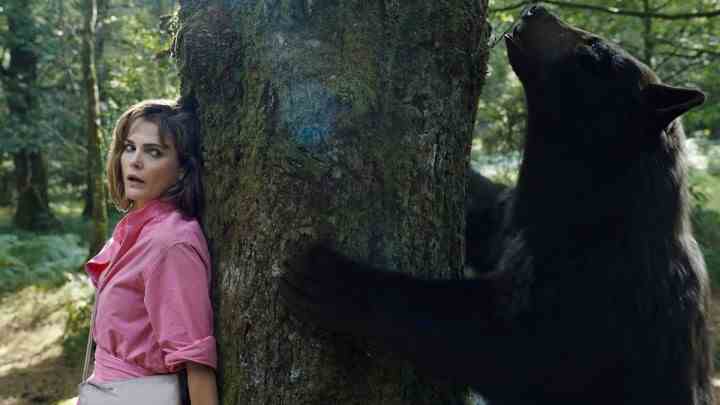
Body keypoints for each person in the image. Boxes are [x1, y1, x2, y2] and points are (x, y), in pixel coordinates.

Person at [81, 99, 218, 404]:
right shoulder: (136, 229)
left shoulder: (171, 242)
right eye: (130, 148)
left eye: (153, 152)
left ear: (182, 170)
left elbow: (197, 363)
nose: (135, 161)